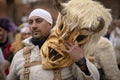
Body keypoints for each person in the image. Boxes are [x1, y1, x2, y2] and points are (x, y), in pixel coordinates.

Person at [7, 8, 99, 80]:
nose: (34, 26)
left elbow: (94, 78)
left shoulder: (67, 50)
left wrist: (80, 61)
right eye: (30, 22)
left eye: (39, 21)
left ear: (50, 24)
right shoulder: (20, 56)